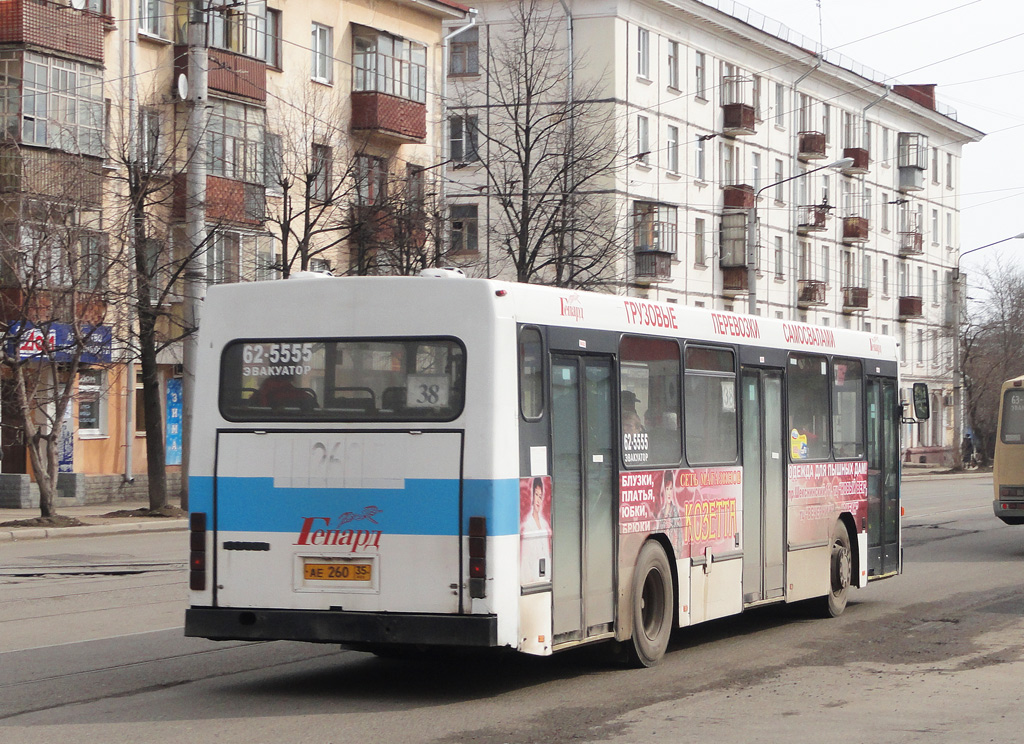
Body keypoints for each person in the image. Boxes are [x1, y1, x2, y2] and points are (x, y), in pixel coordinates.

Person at [520, 477, 552, 584]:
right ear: (532, 496)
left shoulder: (544, 524)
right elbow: (525, 560)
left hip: (545, 579)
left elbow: (547, 555)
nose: (538, 500)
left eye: (540, 496)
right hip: (532, 580)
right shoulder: (527, 525)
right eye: (536, 495)